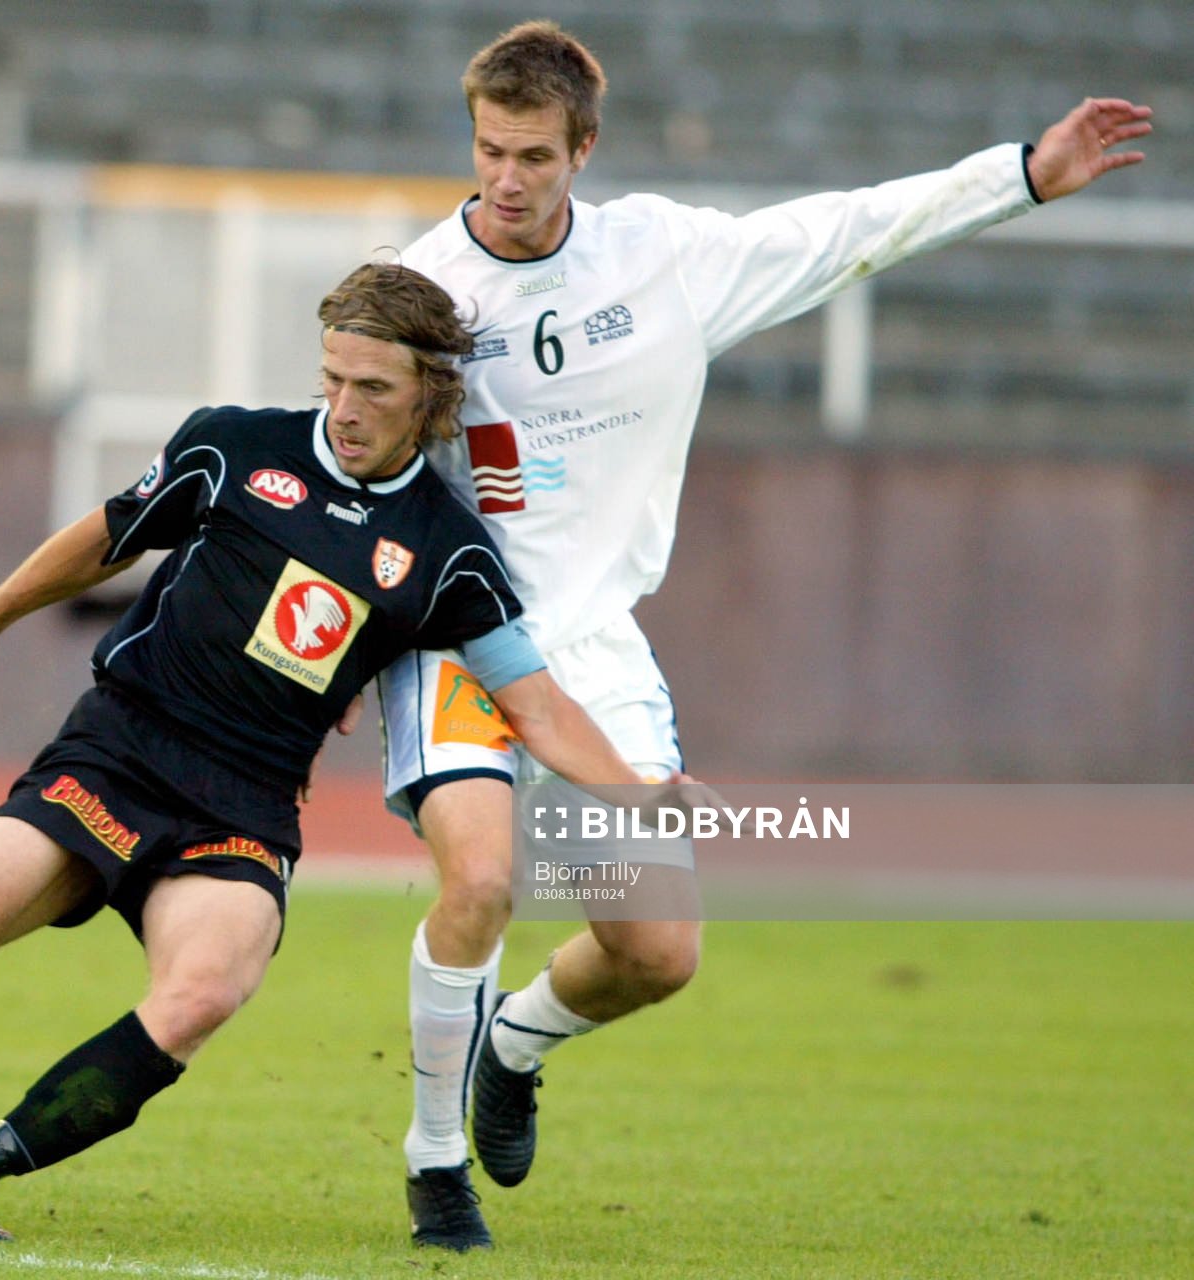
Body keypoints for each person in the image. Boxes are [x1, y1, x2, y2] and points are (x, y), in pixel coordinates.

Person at [0, 261, 695, 1244]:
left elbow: (536, 706)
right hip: (117, 756)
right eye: (333, 377)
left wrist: (639, 797)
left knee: (205, 989)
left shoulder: (447, 552)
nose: (345, 405)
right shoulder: (234, 446)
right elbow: (104, 535)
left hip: (242, 809)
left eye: (374, 388)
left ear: (428, 398)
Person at [381, 19, 1153, 1251]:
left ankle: (513, 1045)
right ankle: (432, 1171)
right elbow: (341, 460)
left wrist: (1016, 176)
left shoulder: (666, 260)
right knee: (478, 874)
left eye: (532, 154)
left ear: (586, 147)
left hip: (590, 648)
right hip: (459, 632)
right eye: (486, 151)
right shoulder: (423, 290)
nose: (505, 181)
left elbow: (845, 228)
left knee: (652, 952)